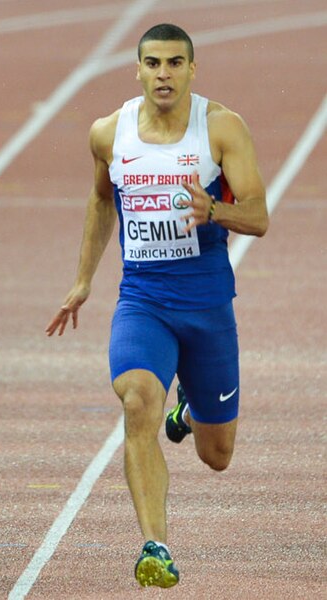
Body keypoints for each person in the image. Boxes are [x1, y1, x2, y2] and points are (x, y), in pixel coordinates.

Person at [46, 23, 268, 588]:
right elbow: (101, 202)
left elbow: (259, 216)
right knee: (138, 399)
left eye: (174, 64)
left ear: (192, 69)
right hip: (143, 301)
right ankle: (156, 546)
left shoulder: (220, 129)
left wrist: (215, 212)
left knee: (217, 456)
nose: (163, 74)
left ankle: (189, 411)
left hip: (208, 306)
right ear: (138, 69)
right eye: (153, 64)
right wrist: (81, 281)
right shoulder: (109, 133)